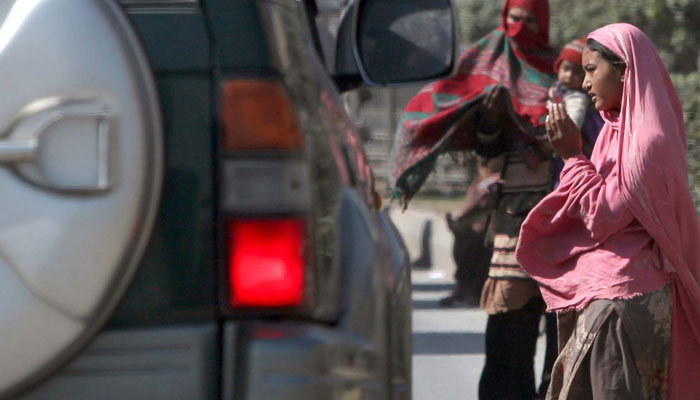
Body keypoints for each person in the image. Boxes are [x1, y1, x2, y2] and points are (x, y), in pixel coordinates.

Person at [516, 23, 700, 399]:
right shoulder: (616, 132)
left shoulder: (646, 143)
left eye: (590, 70)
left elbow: (601, 217)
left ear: (624, 71)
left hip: (623, 305)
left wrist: (572, 156)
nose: (584, 83)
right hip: (611, 295)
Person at [389, 0, 557, 398]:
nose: (520, 27)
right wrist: (491, 121)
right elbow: (489, 156)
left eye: (530, 20)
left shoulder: (561, 73)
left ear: (543, 23)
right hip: (514, 224)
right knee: (508, 336)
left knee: (561, 339)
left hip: (562, 222)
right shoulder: (492, 69)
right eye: (514, 18)